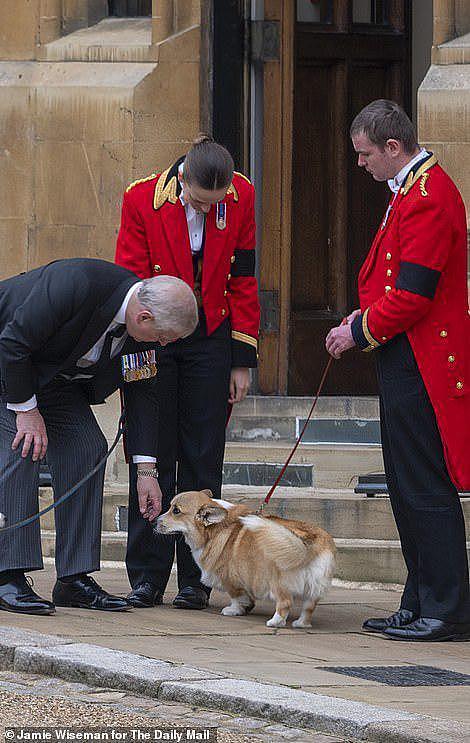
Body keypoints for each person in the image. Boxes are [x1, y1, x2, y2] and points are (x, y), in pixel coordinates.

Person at [326, 100, 470, 642]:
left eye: (365, 154)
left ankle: (448, 608)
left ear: (393, 147)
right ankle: (420, 599)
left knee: (424, 487)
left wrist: (358, 331)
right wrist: (364, 319)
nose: (359, 164)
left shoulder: (429, 197)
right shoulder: (410, 191)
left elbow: (413, 294)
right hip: (404, 354)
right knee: (406, 486)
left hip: (424, 361)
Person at [0, 258, 198, 615]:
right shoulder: (76, 283)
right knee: (22, 446)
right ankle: (7, 574)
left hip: (55, 382)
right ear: (145, 318)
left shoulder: (142, 335)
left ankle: (73, 578)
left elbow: (142, 393)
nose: (165, 345)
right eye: (165, 337)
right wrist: (27, 412)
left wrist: (146, 471)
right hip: (8, 367)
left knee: (86, 446)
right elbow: (13, 342)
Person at [115, 135, 260, 610]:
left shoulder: (242, 195)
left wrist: (242, 359)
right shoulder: (141, 198)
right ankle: (147, 575)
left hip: (211, 335)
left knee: (202, 452)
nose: (206, 208)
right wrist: (134, 358)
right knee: (151, 449)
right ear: (182, 181)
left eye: (214, 203)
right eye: (199, 201)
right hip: (155, 330)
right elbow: (131, 284)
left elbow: (244, 277)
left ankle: (200, 577)